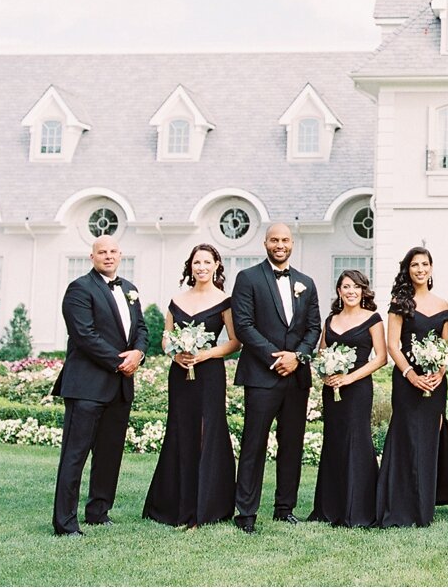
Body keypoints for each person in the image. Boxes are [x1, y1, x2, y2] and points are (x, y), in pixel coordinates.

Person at [51, 235, 148, 536]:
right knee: (75, 455)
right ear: (92, 257)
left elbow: (142, 329)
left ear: (121, 255)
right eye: (101, 252)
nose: (108, 256)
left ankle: (98, 511)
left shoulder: (130, 290)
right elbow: (84, 335)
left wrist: (139, 353)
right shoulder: (79, 288)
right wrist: (122, 361)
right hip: (86, 387)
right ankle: (65, 523)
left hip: (119, 388)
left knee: (109, 454)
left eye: (113, 251)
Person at [230, 223, 321, 533]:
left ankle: (285, 508)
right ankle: (246, 513)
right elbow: (243, 326)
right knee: (254, 443)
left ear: (292, 243)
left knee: (292, 444)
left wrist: (296, 357)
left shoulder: (306, 282)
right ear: (265, 243)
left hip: (297, 377)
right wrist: (277, 357)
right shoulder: (248, 278)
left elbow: (313, 328)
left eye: (284, 240)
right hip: (261, 375)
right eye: (274, 240)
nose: (279, 245)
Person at [143, 243, 241, 528]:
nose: (201, 267)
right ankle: (175, 505)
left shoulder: (225, 301)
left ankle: (206, 507)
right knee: (180, 430)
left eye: (206, 262)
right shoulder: (176, 300)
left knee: (205, 432)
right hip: (180, 374)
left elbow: (235, 341)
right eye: (196, 262)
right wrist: (176, 355)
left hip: (209, 374)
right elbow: (165, 336)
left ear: (216, 266)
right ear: (190, 266)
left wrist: (205, 354)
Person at [375, 246, 448, 527]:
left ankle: (424, 507)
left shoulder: (443, 305)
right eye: (415, 265)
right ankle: (399, 504)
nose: (420, 269)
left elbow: (447, 346)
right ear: (408, 270)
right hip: (407, 381)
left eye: (425, 264)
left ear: (431, 268)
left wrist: (439, 373)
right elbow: (393, 345)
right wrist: (410, 374)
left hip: (434, 382)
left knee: (430, 439)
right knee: (406, 437)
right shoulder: (399, 302)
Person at [308, 269, 387, 528]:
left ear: (363, 290)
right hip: (332, 390)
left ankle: (359, 509)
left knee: (356, 441)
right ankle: (329, 507)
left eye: (355, 286)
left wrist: (350, 378)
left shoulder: (373, 319)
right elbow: (321, 354)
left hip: (357, 390)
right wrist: (326, 376)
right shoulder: (330, 319)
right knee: (334, 441)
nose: (350, 291)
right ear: (339, 291)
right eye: (345, 286)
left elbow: (380, 358)